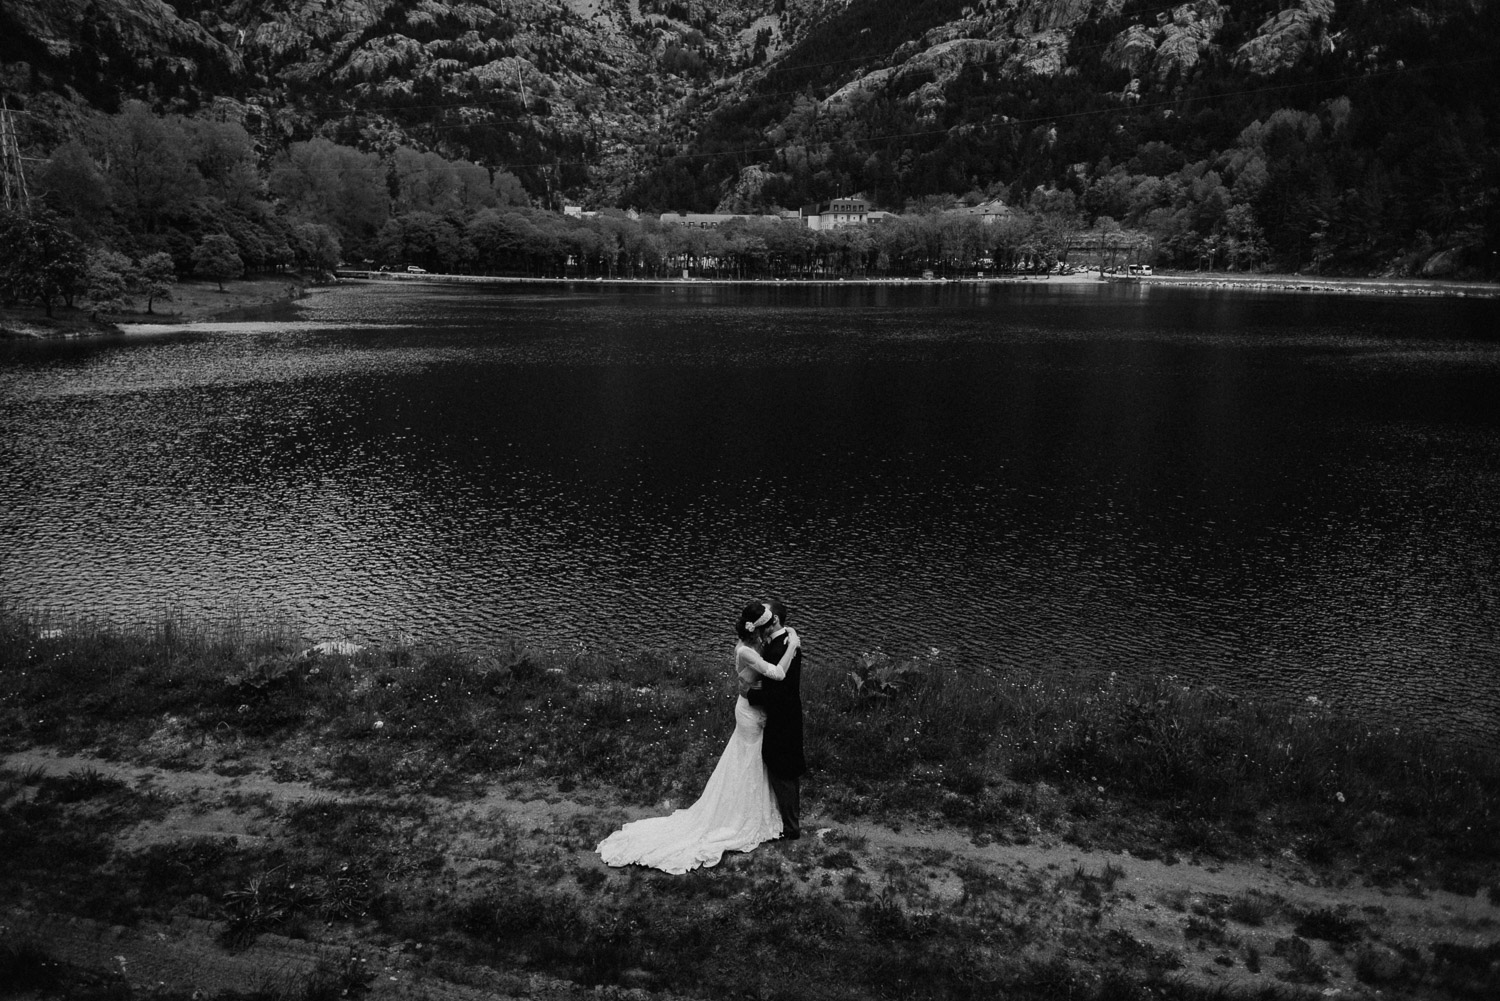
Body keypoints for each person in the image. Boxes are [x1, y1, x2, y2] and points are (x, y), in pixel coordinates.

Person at [595, 600, 801, 873]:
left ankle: (759, 812)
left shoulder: (758, 645)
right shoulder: (749, 651)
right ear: (759, 628)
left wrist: (786, 646)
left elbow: (765, 678)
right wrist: (794, 645)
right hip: (749, 714)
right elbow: (775, 672)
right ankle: (740, 816)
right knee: (747, 760)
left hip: (756, 709)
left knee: (753, 761)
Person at [744, 598, 804, 839]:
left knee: (783, 771)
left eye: (765, 616)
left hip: (782, 717)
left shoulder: (780, 648)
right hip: (787, 713)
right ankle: (787, 821)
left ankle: (791, 827)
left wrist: (749, 695)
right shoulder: (785, 639)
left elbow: (778, 692)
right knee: (784, 769)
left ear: (774, 620)